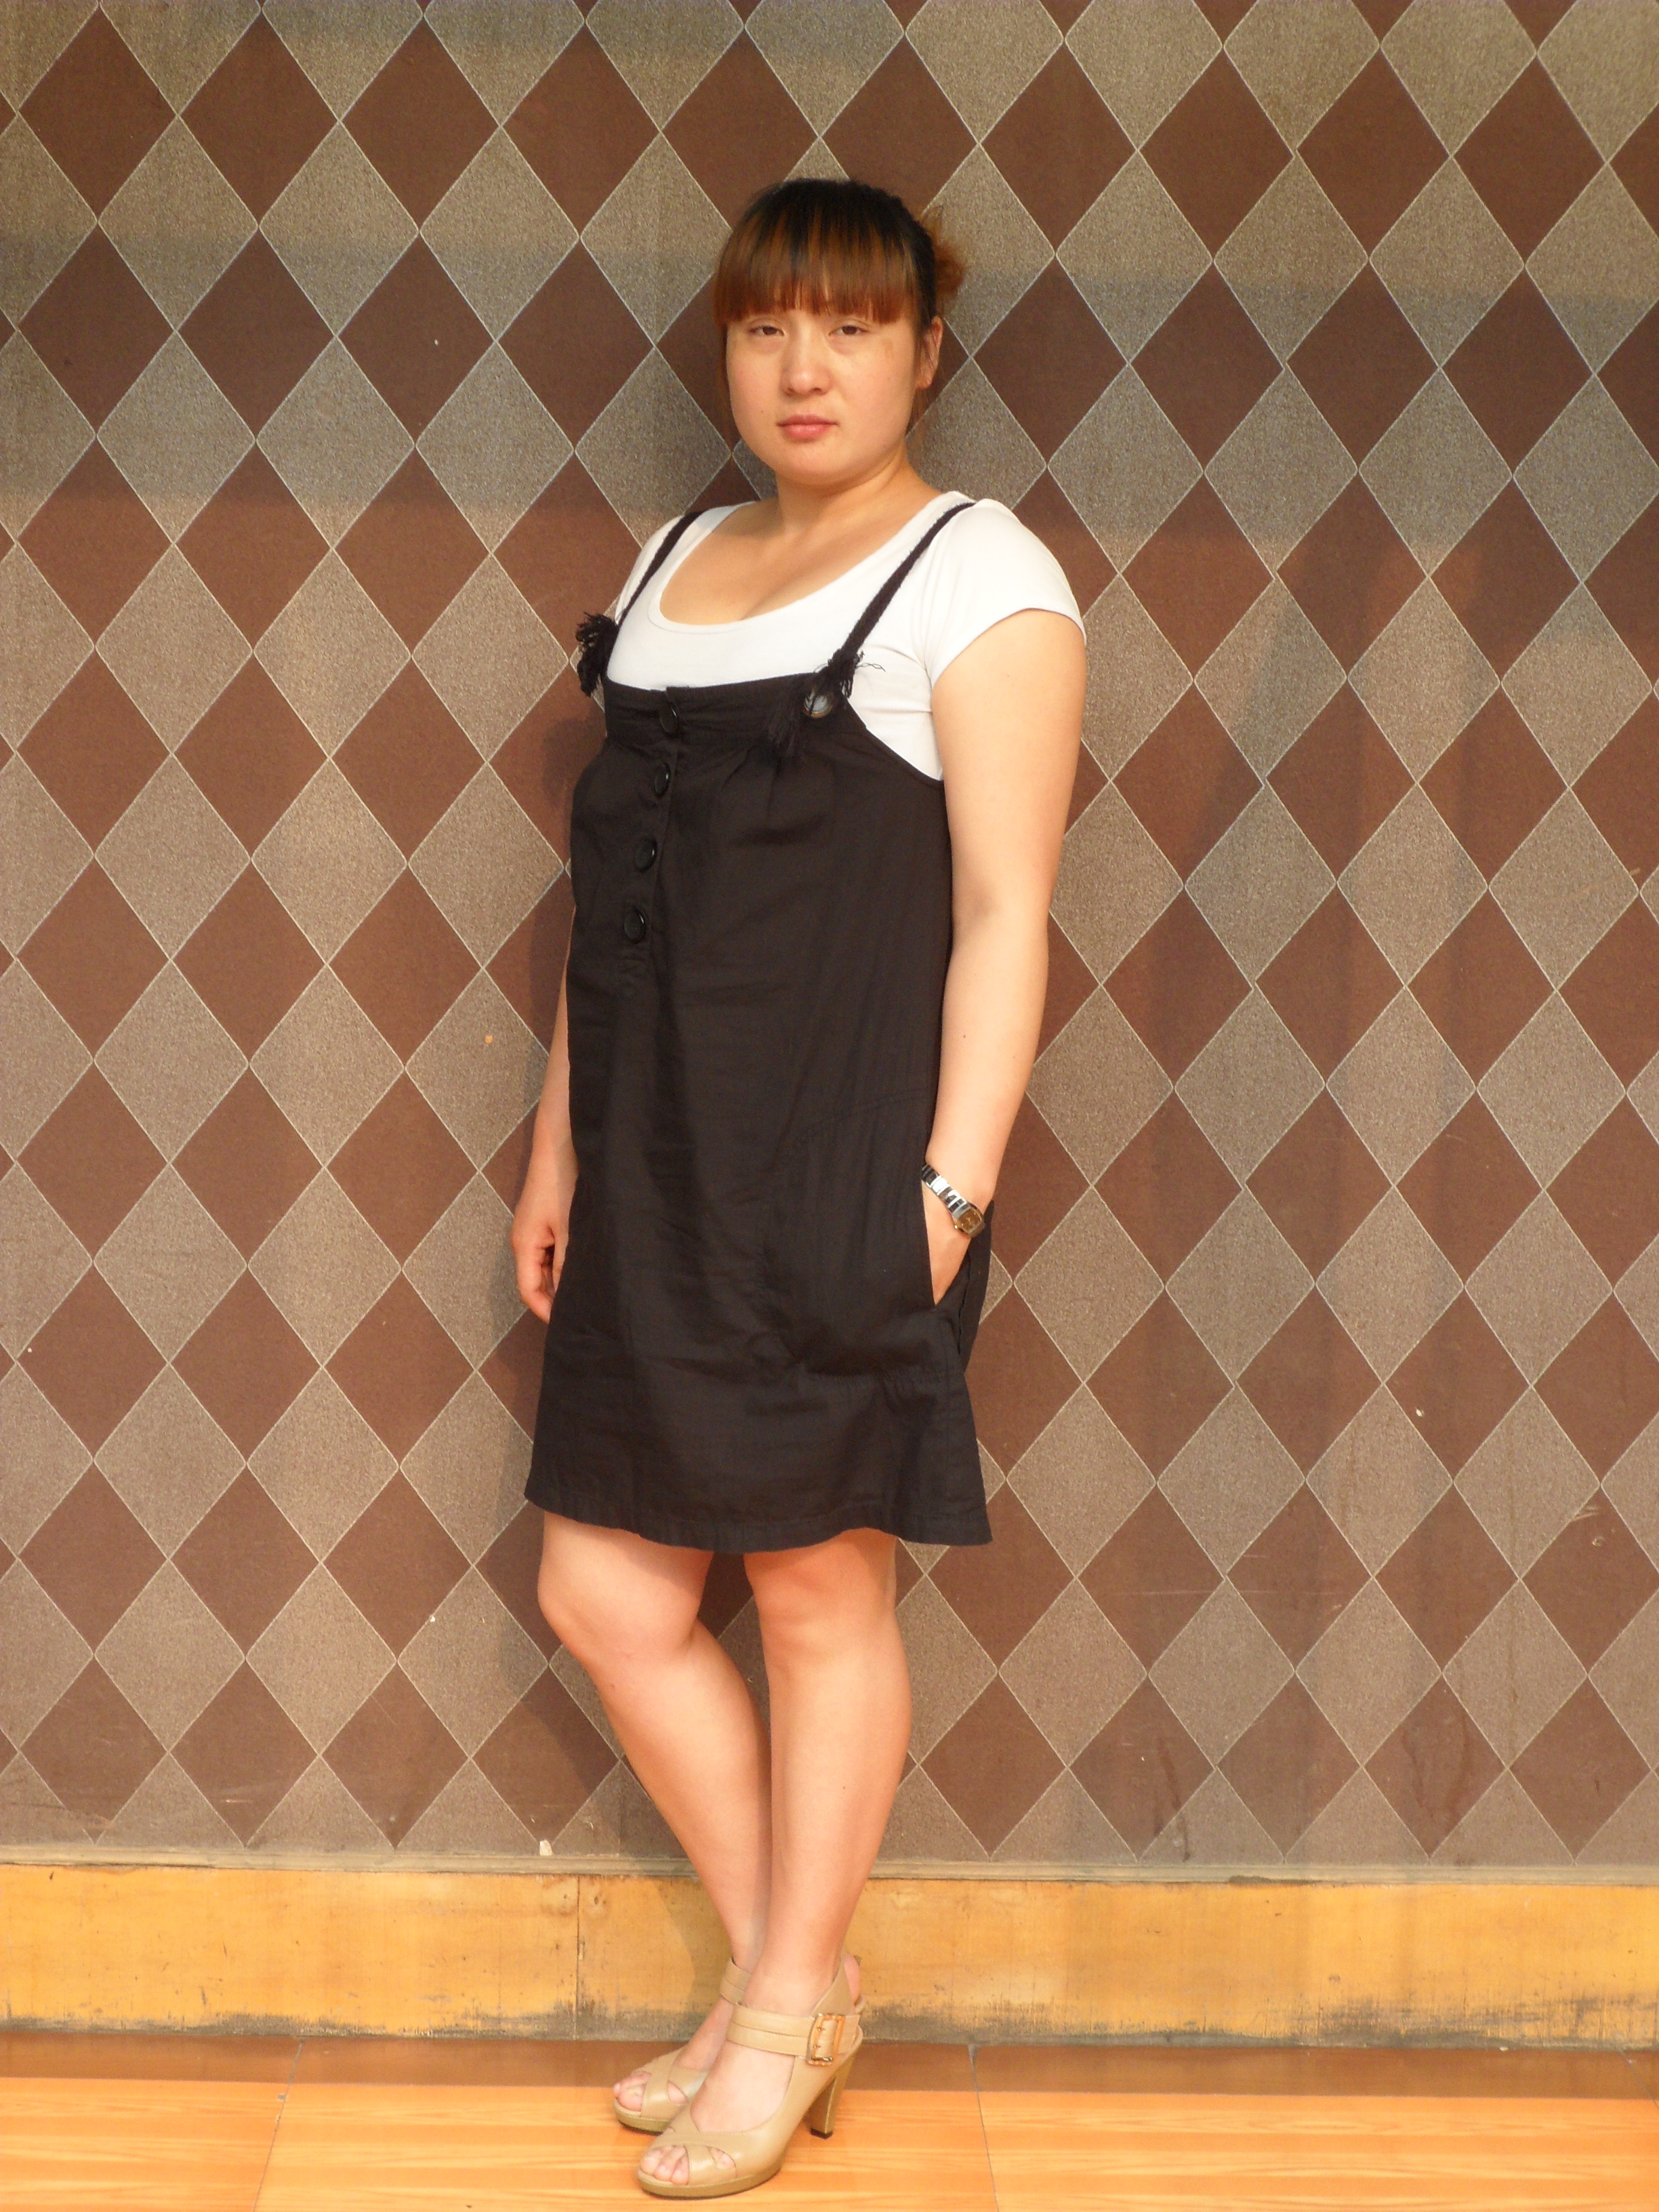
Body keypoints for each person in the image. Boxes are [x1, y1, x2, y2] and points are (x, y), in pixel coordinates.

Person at [511, 176, 1085, 2198]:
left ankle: (773, 2014)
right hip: (651, 1155)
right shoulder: (678, 559)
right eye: (767, 328)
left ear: (927, 351)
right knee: (604, 1590)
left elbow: (1006, 918)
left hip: (846, 1156)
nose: (804, 366)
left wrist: (950, 1195)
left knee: (818, 1585)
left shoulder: (980, 574)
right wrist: (560, 1142)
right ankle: (800, 1976)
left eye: (851, 326)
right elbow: (619, 901)